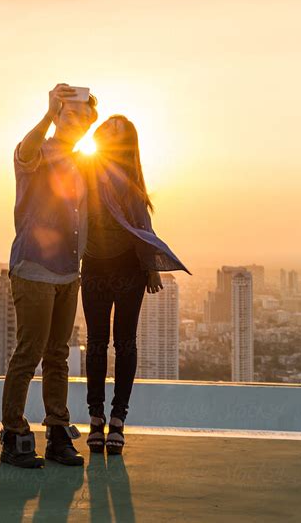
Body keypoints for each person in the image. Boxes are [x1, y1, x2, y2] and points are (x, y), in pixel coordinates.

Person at [0, 83, 98, 468]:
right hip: (34, 269)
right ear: (58, 115)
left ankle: (58, 432)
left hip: (66, 274)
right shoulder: (38, 150)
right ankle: (14, 434)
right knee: (29, 353)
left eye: (83, 116)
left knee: (58, 356)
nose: (76, 121)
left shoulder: (85, 162)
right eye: (68, 113)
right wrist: (47, 112)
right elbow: (24, 152)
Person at [80, 115, 191, 455]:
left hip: (129, 269)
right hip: (94, 266)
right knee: (96, 344)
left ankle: (118, 421)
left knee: (125, 343)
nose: (112, 132)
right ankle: (95, 419)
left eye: (120, 130)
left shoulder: (132, 182)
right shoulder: (85, 169)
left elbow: (143, 227)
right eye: (108, 128)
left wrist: (151, 268)